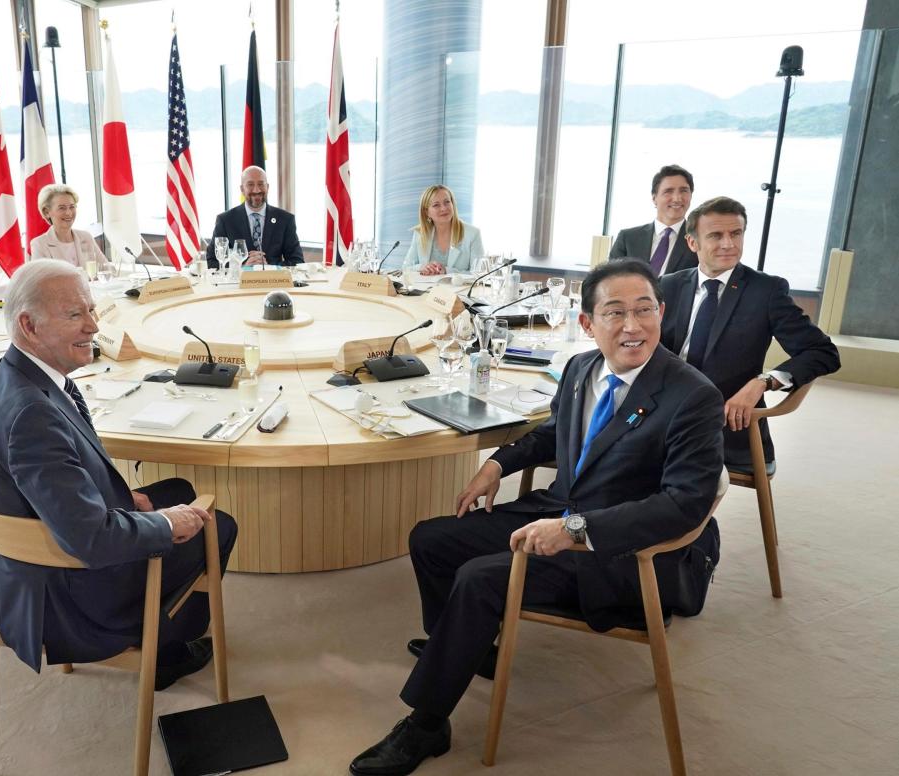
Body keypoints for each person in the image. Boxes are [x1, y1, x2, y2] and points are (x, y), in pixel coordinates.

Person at [350, 259, 724, 776]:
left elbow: (683, 503)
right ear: (589, 325)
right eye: (615, 313)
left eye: (644, 310)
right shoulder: (580, 368)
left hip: (617, 552)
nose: (633, 326)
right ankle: (466, 648)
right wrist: (497, 465)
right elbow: (554, 434)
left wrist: (576, 530)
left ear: (662, 312)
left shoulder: (694, 396)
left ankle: (427, 723)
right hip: (557, 509)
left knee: (480, 578)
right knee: (431, 539)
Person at [0, 259, 238, 685]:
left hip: (44, 558)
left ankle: (161, 637)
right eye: (75, 315)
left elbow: (57, 483)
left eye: (91, 310)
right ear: (28, 325)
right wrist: (165, 525)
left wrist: (128, 502)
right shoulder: (33, 415)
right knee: (216, 525)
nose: (93, 326)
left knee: (178, 488)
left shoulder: (15, 374)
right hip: (69, 594)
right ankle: (161, 650)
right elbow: (90, 540)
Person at [659, 196, 840, 470]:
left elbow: (823, 352)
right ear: (692, 242)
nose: (729, 244)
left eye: (736, 233)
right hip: (662, 411)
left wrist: (764, 381)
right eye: (716, 235)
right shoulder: (667, 286)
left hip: (724, 422)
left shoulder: (766, 291)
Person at [608, 164, 699, 276]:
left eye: (684, 191)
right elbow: (611, 278)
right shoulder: (628, 238)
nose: (677, 199)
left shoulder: (699, 240)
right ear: (654, 198)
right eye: (668, 191)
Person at [207, 165, 303, 268]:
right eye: (250, 184)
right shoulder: (225, 220)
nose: (257, 190)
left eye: (261, 184)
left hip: (273, 282)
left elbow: (297, 261)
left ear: (268, 187)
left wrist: (269, 268)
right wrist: (243, 266)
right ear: (242, 189)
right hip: (238, 283)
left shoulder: (285, 219)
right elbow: (213, 261)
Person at [400, 185, 484, 275]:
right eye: (436, 205)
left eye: (447, 202)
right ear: (426, 212)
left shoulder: (472, 234)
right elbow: (406, 268)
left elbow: (480, 274)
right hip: (427, 289)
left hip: (459, 289)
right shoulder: (420, 233)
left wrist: (447, 271)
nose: (444, 208)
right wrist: (422, 267)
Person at [27, 183, 110, 270]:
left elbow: (106, 269)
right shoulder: (39, 244)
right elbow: (42, 281)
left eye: (72, 207)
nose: (68, 213)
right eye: (62, 208)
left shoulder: (86, 237)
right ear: (47, 212)